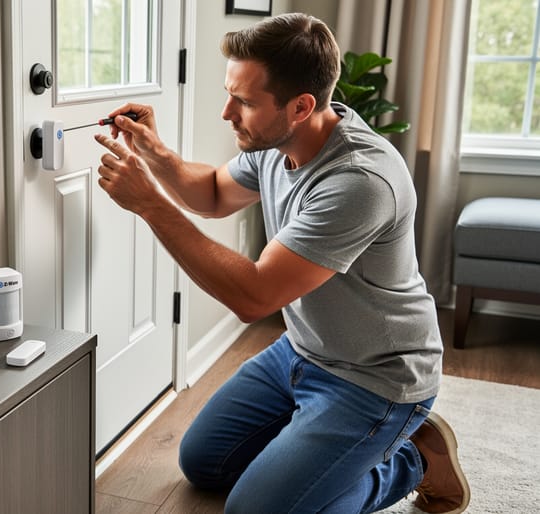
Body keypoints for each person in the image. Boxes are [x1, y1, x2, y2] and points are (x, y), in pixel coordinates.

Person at [93, 12, 470, 514]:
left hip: (376, 377)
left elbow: (254, 296)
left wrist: (150, 204)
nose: (228, 112)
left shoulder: (358, 181)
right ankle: (320, 450)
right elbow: (211, 194)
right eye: (231, 94)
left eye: (244, 101)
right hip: (301, 353)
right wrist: (156, 152)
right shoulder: (277, 142)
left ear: (301, 106)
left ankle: (412, 462)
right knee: (203, 463)